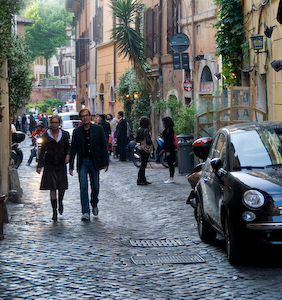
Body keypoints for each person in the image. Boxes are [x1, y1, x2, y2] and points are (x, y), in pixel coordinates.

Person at [69, 108, 109, 221]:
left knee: (95, 186)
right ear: (80, 118)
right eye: (83, 116)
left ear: (90, 116)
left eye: (87, 115)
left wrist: (105, 162)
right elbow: (73, 149)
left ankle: (94, 202)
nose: (85, 117)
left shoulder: (98, 129)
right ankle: (85, 211)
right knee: (83, 187)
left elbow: (103, 146)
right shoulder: (77, 132)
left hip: (94, 161)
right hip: (83, 162)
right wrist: (71, 166)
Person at [36, 115, 70, 221]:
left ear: (59, 123)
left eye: (56, 122)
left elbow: (68, 148)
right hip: (50, 163)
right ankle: (54, 210)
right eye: (53, 123)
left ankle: (60, 201)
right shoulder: (46, 135)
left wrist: (68, 156)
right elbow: (42, 151)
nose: (54, 125)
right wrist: (39, 165)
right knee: (52, 187)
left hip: (61, 162)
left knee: (62, 186)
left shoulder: (64, 135)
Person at [136, 116, 152, 185]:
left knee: (143, 164)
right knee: (143, 164)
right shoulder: (146, 130)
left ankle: (142, 179)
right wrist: (150, 144)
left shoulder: (139, 129)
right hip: (145, 147)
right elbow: (148, 140)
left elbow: (136, 139)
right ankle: (140, 179)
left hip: (141, 147)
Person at [162, 116, 176, 184]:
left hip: (170, 149)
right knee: (170, 163)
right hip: (169, 148)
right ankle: (171, 177)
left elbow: (170, 140)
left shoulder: (169, 130)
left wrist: (168, 150)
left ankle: (171, 178)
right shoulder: (169, 129)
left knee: (170, 163)